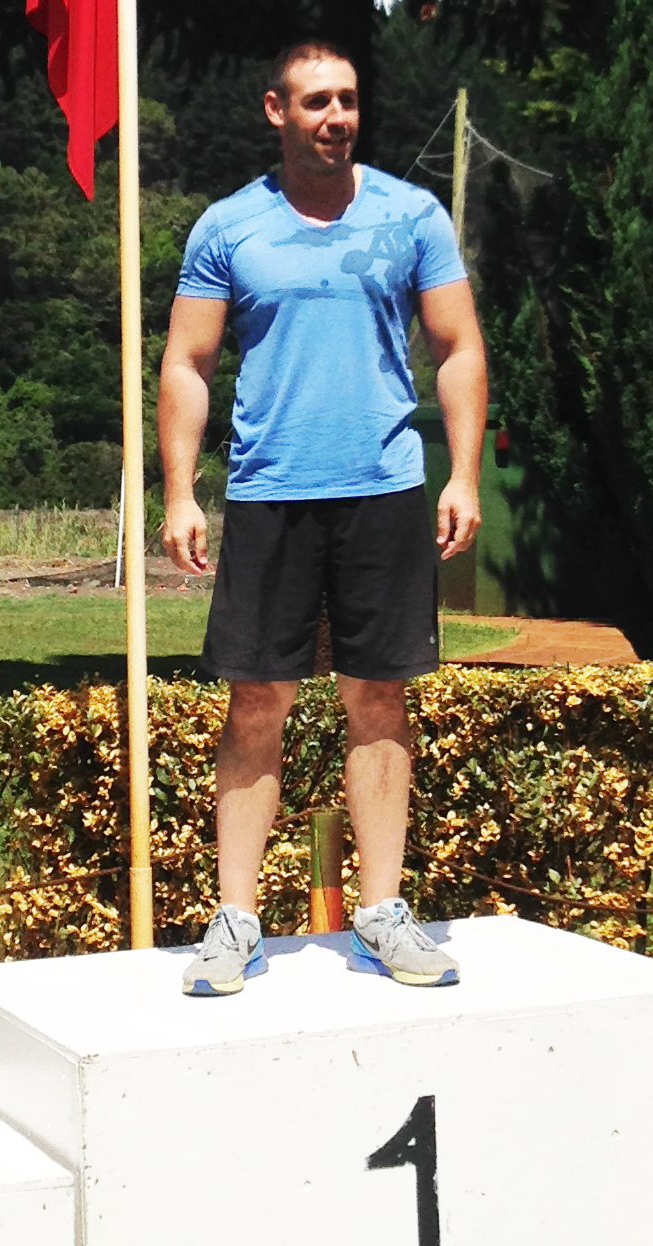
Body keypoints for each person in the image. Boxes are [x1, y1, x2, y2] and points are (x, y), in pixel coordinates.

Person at [157, 40, 488, 996]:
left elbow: (459, 347)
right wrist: (180, 489)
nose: (335, 117)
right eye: (315, 102)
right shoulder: (230, 226)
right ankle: (235, 919)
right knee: (256, 701)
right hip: (271, 492)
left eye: (346, 100)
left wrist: (462, 474)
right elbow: (187, 362)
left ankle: (381, 912)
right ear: (277, 110)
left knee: (379, 699)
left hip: (385, 488)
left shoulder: (411, 215)